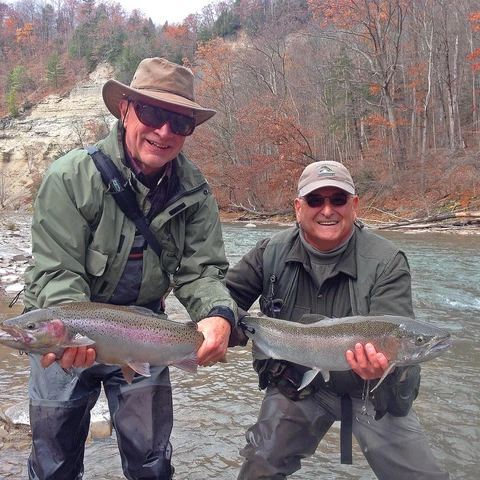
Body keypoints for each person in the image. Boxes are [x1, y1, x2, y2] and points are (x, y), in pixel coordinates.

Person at [23, 57, 237, 480]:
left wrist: (217, 315)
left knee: (151, 464)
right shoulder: (70, 177)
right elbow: (55, 272)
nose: (164, 132)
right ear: (125, 110)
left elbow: (201, 271)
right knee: (53, 465)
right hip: (69, 330)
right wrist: (70, 329)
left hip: (146, 334)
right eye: (153, 113)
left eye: (180, 123)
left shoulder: (194, 190)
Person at [227, 161, 449, 480]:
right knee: (260, 465)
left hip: (372, 391)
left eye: (338, 200)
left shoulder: (386, 261)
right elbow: (224, 300)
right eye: (316, 200)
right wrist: (222, 327)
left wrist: (386, 368)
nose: (327, 210)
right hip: (299, 387)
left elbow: (397, 329)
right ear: (298, 208)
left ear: (354, 205)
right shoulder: (269, 253)